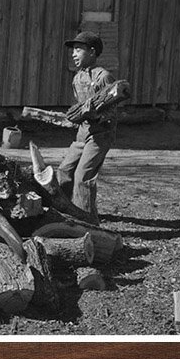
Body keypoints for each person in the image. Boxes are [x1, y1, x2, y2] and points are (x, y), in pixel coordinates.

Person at [56, 31, 116, 223]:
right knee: (64, 170)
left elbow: (114, 110)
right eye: (73, 50)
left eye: (78, 50)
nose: (74, 54)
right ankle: (62, 211)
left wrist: (97, 114)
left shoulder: (104, 77)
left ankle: (87, 221)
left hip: (100, 134)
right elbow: (79, 107)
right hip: (82, 133)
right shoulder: (78, 78)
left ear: (92, 52)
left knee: (83, 176)